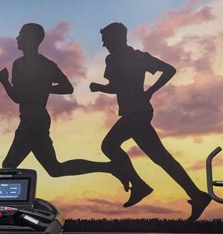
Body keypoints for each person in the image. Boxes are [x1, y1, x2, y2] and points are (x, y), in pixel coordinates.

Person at [0, 23, 151, 200]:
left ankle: (9, 207)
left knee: (9, 165)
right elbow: (24, 96)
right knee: (55, 169)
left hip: (34, 122)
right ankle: (110, 168)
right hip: (33, 120)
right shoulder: (24, 64)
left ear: (30, 39)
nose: (17, 38)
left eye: (21, 34)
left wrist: (6, 82)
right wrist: (41, 88)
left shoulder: (37, 65)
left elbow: (65, 88)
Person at [82, 22, 210, 220]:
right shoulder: (119, 59)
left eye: (106, 40)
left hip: (137, 114)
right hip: (135, 113)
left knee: (109, 145)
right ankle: (197, 195)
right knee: (161, 158)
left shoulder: (136, 56)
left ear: (116, 39)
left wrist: (149, 91)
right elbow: (117, 87)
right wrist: (100, 87)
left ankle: (140, 186)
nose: (104, 45)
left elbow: (169, 69)